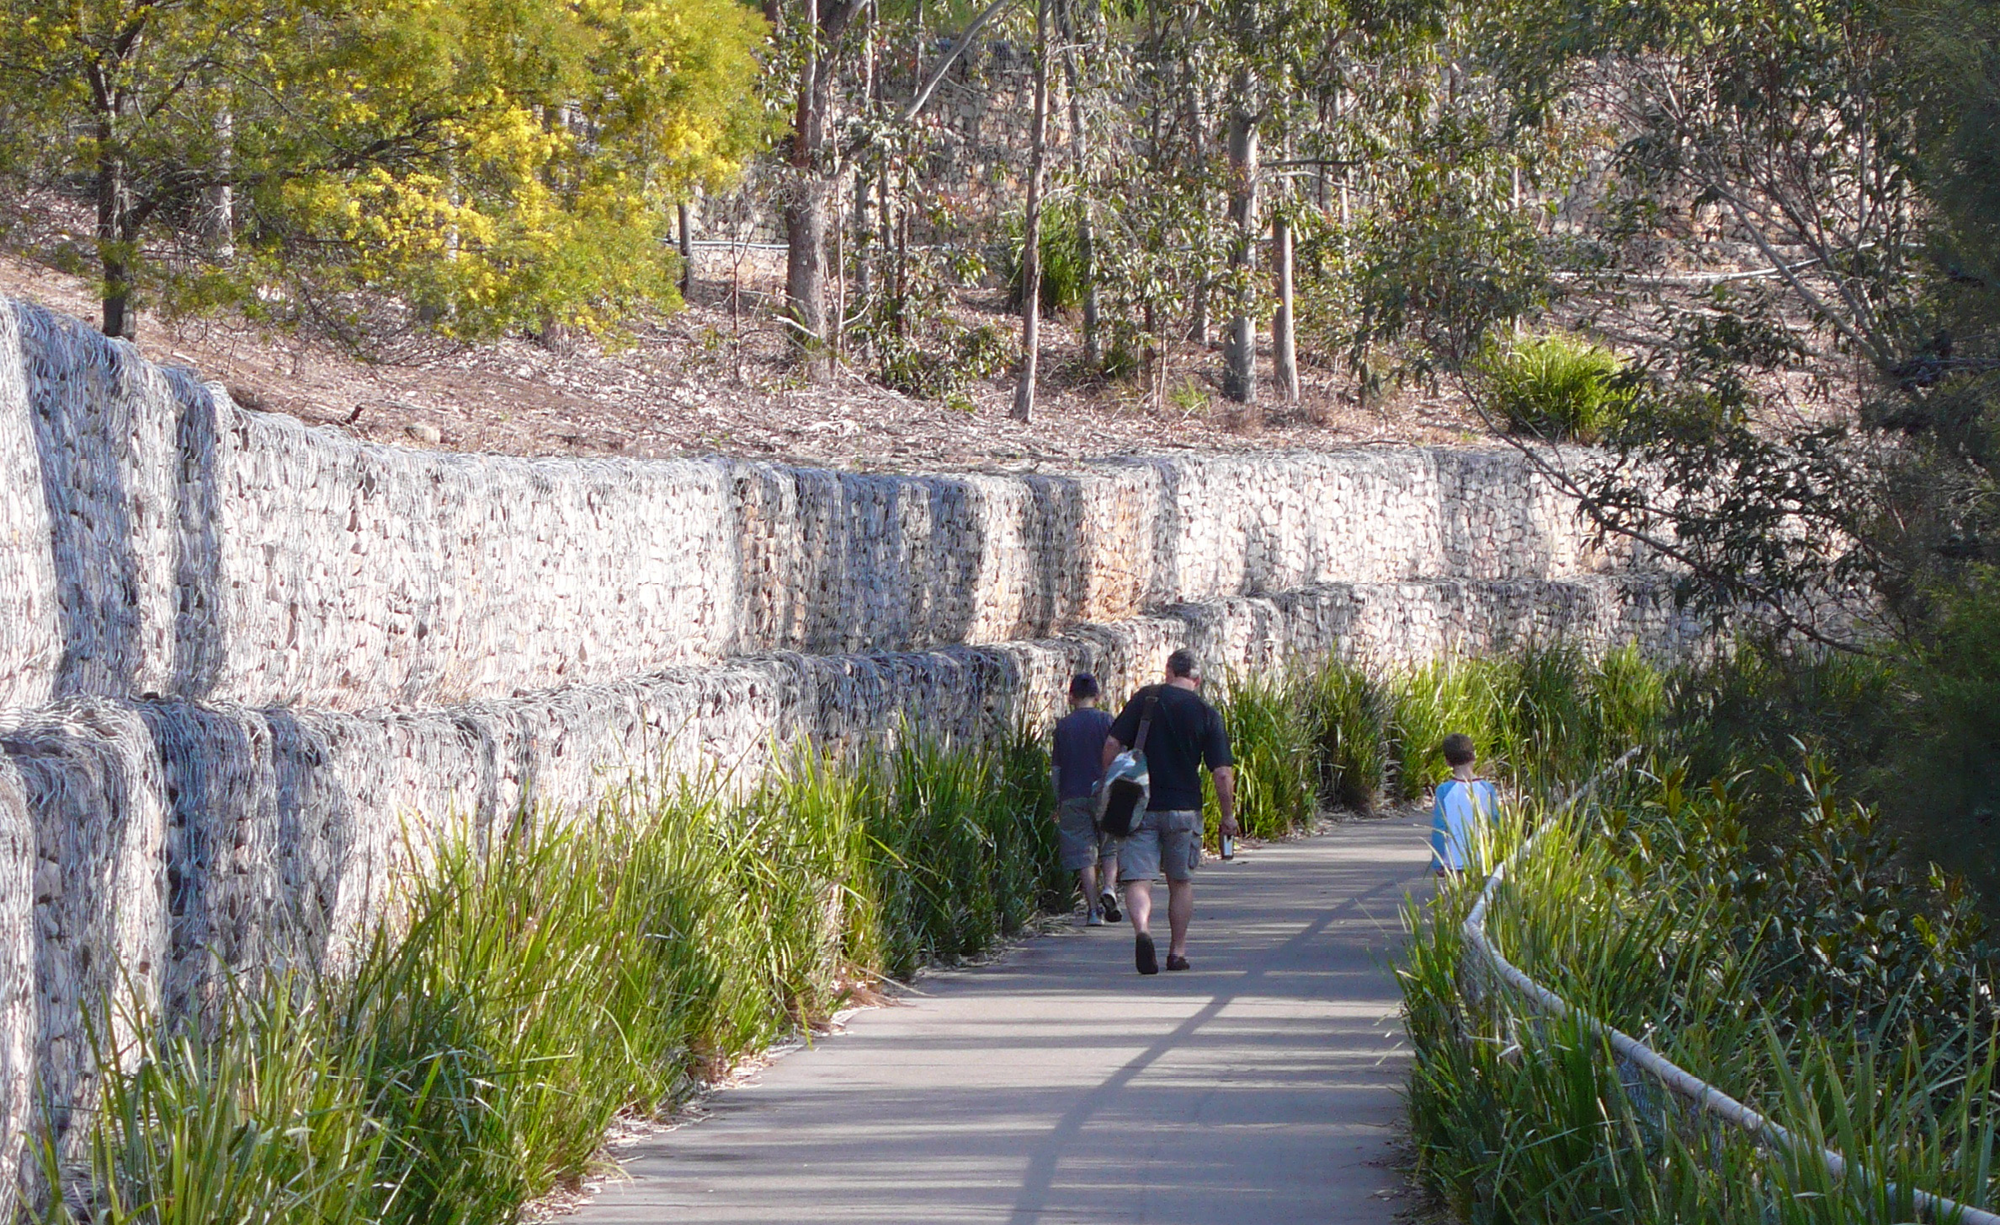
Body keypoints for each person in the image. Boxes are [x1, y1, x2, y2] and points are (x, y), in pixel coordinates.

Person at [1102, 648, 1236, 975]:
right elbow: (1221, 773)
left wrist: (1107, 786)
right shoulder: (1206, 712)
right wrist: (1227, 814)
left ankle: (1143, 932)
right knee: (1180, 881)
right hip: (1184, 808)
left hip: (1139, 806)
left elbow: (1111, 745)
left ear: (1168, 672)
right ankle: (1177, 952)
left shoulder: (1146, 699)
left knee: (1138, 878)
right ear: (1197, 679)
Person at [1051, 673, 1122, 925]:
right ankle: (1110, 888)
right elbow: (1119, 758)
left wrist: (1056, 801)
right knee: (1109, 845)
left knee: (1084, 854)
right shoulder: (1107, 721)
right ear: (1098, 696)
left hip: (1073, 794)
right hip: (1104, 792)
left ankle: (1093, 911)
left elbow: (1056, 770)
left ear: (1071, 697)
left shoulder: (1063, 727)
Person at [1430, 733, 1501, 875]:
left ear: (1447, 762)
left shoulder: (1444, 790)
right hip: (1483, 858)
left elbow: (1440, 827)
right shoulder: (1487, 789)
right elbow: (1496, 822)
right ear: (1473, 756)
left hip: (1454, 859)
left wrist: (1438, 861)